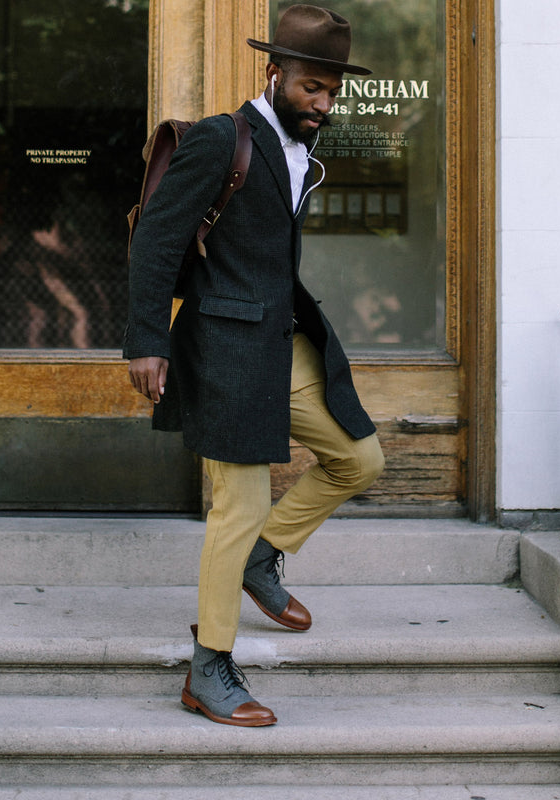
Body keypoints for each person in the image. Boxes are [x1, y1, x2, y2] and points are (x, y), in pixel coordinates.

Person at [125, 4, 385, 727]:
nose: (323, 103)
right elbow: (156, 239)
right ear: (274, 72)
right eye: (310, 87)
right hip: (223, 347)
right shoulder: (221, 139)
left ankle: (261, 559)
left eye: (332, 91)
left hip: (281, 340)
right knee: (237, 504)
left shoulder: (303, 148)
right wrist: (147, 338)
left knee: (359, 459)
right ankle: (208, 668)